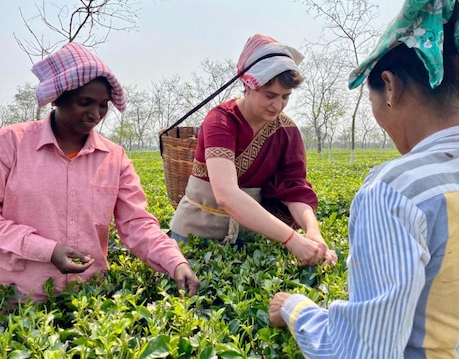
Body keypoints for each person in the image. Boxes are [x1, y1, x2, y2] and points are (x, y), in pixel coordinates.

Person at [269, 0, 459, 357]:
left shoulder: (394, 192)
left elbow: (364, 350)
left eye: (371, 101)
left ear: (391, 87)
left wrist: (296, 309)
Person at [0, 42, 200, 302]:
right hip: (16, 298)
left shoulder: (114, 158)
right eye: (85, 102)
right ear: (58, 98)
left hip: (88, 302)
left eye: (103, 105)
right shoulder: (10, 144)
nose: (95, 114)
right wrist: (48, 250)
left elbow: (137, 223)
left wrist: (175, 263)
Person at [169, 33, 337, 267]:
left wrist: (312, 232)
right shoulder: (221, 121)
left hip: (248, 239)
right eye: (270, 96)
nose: (277, 105)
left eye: (285, 97)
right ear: (249, 85)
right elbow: (226, 194)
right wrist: (291, 239)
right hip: (196, 234)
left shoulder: (286, 131)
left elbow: (294, 189)